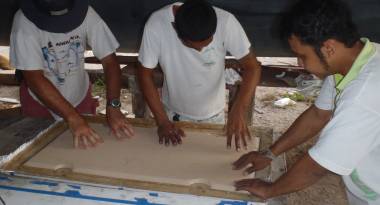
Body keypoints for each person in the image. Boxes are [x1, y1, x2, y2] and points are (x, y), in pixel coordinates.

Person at [233, 0, 380, 204]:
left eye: (302, 55)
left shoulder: (364, 93)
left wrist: (271, 190)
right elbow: (318, 115)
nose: (299, 64)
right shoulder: (351, 64)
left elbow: (319, 165)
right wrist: (270, 153)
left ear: (328, 48)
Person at [137, 0, 262, 150]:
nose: (201, 51)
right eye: (192, 46)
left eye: (207, 44)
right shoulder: (156, 24)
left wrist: (239, 109)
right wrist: (162, 120)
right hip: (173, 113)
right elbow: (144, 74)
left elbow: (253, 68)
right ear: (175, 29)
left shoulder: (227, 21)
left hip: (214, 114)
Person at [10, 0, 134, 149]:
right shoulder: (24, 23)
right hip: (39, 103)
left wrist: (113, 105)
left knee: (88, 152)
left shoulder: (85, 11)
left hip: (79, 98)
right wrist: (73, 117)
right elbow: (34, 79)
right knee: (43, 154)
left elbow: (110, 61)